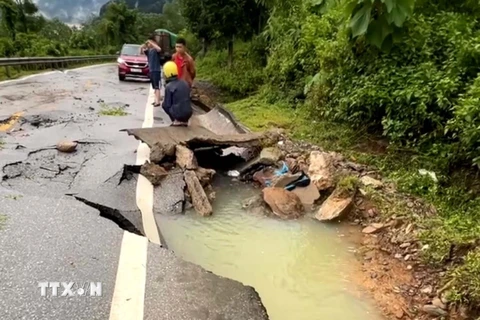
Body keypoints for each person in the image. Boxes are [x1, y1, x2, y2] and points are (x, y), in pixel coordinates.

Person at [162, 61, 192, 127]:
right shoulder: (184, 83)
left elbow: (166, 105)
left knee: (164, 105)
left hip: (178, 114)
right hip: (189, 113)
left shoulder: (169, 86)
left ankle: (176, 121)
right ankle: (184, 121)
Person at [140, 34, 163, 106]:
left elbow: (159, 49)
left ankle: (158, 101)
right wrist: (142, 47)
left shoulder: (156, 50)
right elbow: (141, 52)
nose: (149, 44)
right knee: (154, 87)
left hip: (156, 70)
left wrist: (152, 43)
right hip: (151, 70)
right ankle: (155, 100)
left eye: (149, 43)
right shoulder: (149, 51)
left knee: (157, 86)